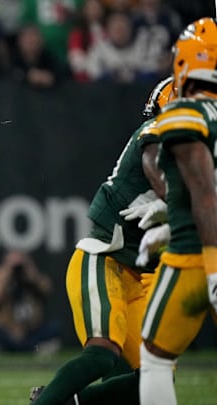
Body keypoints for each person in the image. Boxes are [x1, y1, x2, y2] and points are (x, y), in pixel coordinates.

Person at [30, 75, 174, 405]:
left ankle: (72, 401)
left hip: (138, 278)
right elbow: (160, 168)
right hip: (104, 259)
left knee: (157, 380)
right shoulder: (157, 133)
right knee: (102, 355)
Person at [137, 17, 217, 405]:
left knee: (154, 357)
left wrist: (214, 269)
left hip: (195, 259)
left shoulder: (185, 114)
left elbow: (205, 195)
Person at [0, 251, 61, 353]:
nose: (17, 269)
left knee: (54, 328)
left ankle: (35, 348)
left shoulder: (32, 278)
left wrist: (30, 274)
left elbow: (47, 289)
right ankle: (1, 348)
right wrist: (5, 277)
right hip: (6, 332)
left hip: (31, 331)